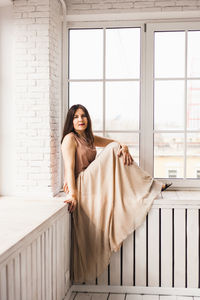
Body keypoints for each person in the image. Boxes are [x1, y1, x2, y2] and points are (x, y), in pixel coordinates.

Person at [61, 104, 172, 283]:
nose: (80, 120)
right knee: (113, 149)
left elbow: (116, 143)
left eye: (83, 116)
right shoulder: (70, 139)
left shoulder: (88, 138)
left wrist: (125, 147)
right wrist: (72, 195)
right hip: (82, 183)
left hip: (92, 183)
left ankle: (145, 185)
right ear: (71, 121)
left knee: (115, 148)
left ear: (87, 119)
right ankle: (149, 185)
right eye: (75, 117)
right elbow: (68, 169)